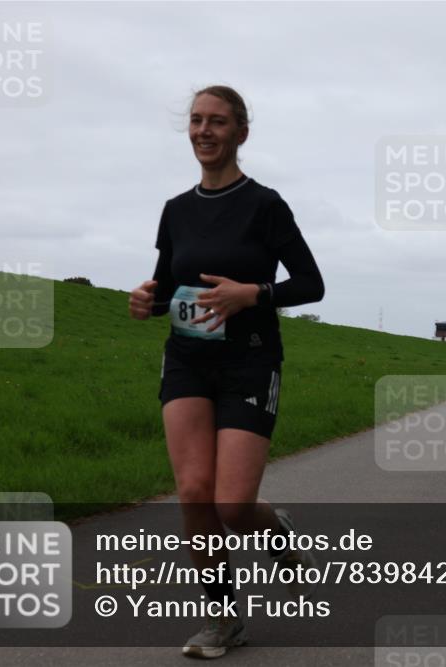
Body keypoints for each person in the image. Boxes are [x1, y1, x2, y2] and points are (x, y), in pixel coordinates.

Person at [128, 85, 324, 659]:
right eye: (196, 120)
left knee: (233, 507)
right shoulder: (176, 210)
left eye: (217, 121)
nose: (203, 131)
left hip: (250, 360)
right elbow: (168, 285)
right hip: (187, 359)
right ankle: (223, 618)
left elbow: (310, 283)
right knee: (194, 494)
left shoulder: (265, 205)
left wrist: (252, 293)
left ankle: (274, 529)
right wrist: (146, 301)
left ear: (241, 132)